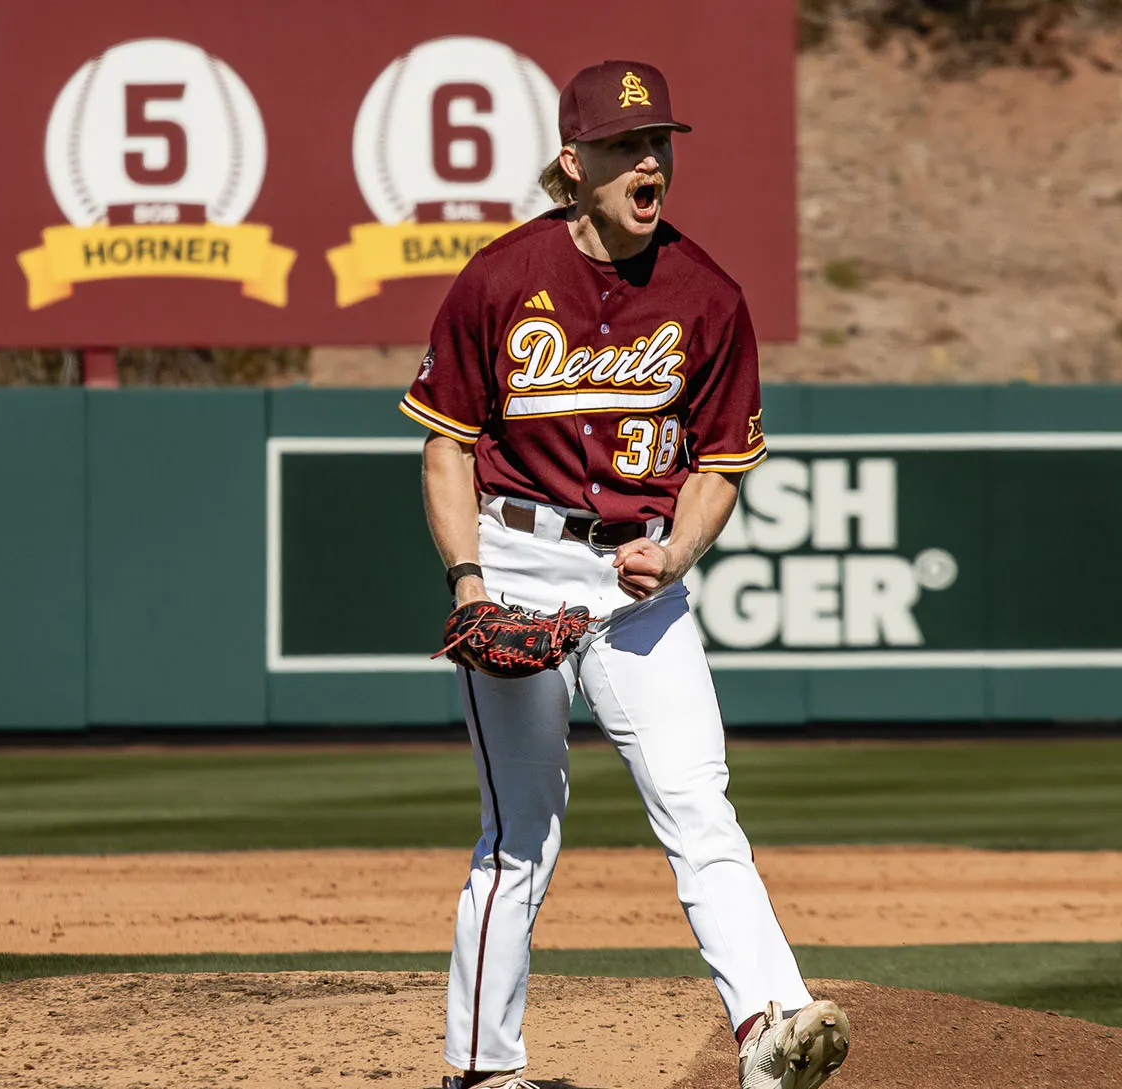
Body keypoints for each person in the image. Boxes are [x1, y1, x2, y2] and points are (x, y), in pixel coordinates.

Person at [399, 60, 851, 1089]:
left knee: (699, 802)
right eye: (623, 147)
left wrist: (680, 551)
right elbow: (445, 448)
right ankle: (482, 1069)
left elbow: (723, 462)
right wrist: (469, 581)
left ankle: (770, 1032)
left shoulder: (709, 295)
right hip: (515, 560)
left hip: (641, 582)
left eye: (660, 144)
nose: (650, 161)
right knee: (522, 831)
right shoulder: (501, 278)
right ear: (575, 164)